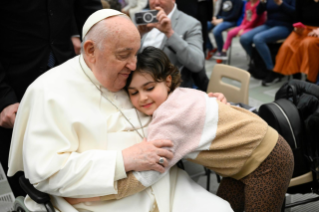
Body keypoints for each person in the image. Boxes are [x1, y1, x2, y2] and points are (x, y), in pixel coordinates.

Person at [7, 9, 233, 212]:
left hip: (167, 183)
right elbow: (47, 173)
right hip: (100, 200)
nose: (134, 65)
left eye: (135, 53)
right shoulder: (48, 91)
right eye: (124, 55)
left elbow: (167, 102)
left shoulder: (126, 75)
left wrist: (205, 102)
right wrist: (122, 159)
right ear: (91, 50)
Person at [65, 46, 294, 211]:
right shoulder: (179, 94)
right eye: (133, 93)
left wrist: (93, 195)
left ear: (166, 81)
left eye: (149, 87)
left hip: (269, 161)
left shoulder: (171, 119)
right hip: (247, 158)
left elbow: (146, 176)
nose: (142, 98)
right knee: (226, 207)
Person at [0, 0, 102, 197]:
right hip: (16, 89)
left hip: (67, 75)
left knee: (77, 164)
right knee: (27, 182)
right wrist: (3, 98)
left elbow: (90, 13)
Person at [138, 0, 209, 90]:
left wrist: (170, 33)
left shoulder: (190, 24)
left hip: (170, 89)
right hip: (138, 83)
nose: (156, 2)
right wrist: (139, 35)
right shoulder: (142, 19)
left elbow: (197, 64)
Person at [239, 0, 295, 86]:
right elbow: (258, 11)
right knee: (244, 38)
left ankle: (272, 70)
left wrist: (280, 3)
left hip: (285, 26)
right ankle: (258, 62)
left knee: (258, 39)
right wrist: (262, 3)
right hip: (269, 24)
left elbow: (295, 13)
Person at [273, 0, 319, 83]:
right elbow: (297, 16)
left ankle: (311, 79)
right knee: (287, 45)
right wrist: (297, 26)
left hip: (317, 32)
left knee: (308, 44)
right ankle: (296, 77)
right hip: (304, 29)